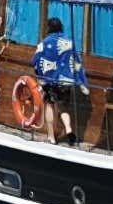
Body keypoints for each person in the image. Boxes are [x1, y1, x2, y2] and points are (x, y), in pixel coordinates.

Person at [35, 17, 86, 145]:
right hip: (66, 81)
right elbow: (77, 61)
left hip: (51, 80)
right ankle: (68, 129)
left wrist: (40, 76)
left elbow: (34, 61)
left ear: (49, 28)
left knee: (50, 106)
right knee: (63, 107)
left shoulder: (44, 43)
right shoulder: (69, 42)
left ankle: (51, 137)